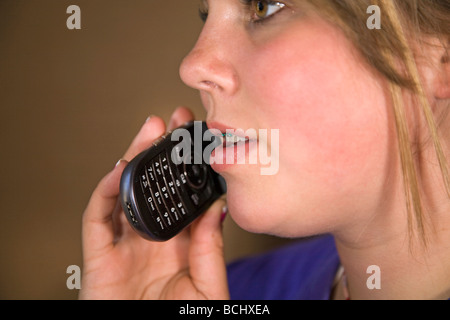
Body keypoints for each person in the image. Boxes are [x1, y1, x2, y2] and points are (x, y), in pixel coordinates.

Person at [79, 0, 450, 300]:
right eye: (206, 15)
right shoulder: (223, 294)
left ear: (442, 58)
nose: (192, 67)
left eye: (263, 7)